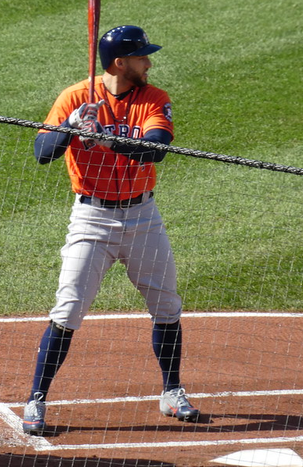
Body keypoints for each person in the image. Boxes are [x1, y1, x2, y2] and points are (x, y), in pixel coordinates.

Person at [22, 25, 199, 436]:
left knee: (167, 305)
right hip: (92, 219)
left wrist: (104, 140)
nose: (149, 63)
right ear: (121, 63)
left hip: (143, 217)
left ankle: (172, 390)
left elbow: (157, 147)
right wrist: (70, 126)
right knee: (68, 310)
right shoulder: (74, 97)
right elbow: (41, 154)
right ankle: (36, 399)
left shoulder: (155, 98)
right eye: (142, 57)